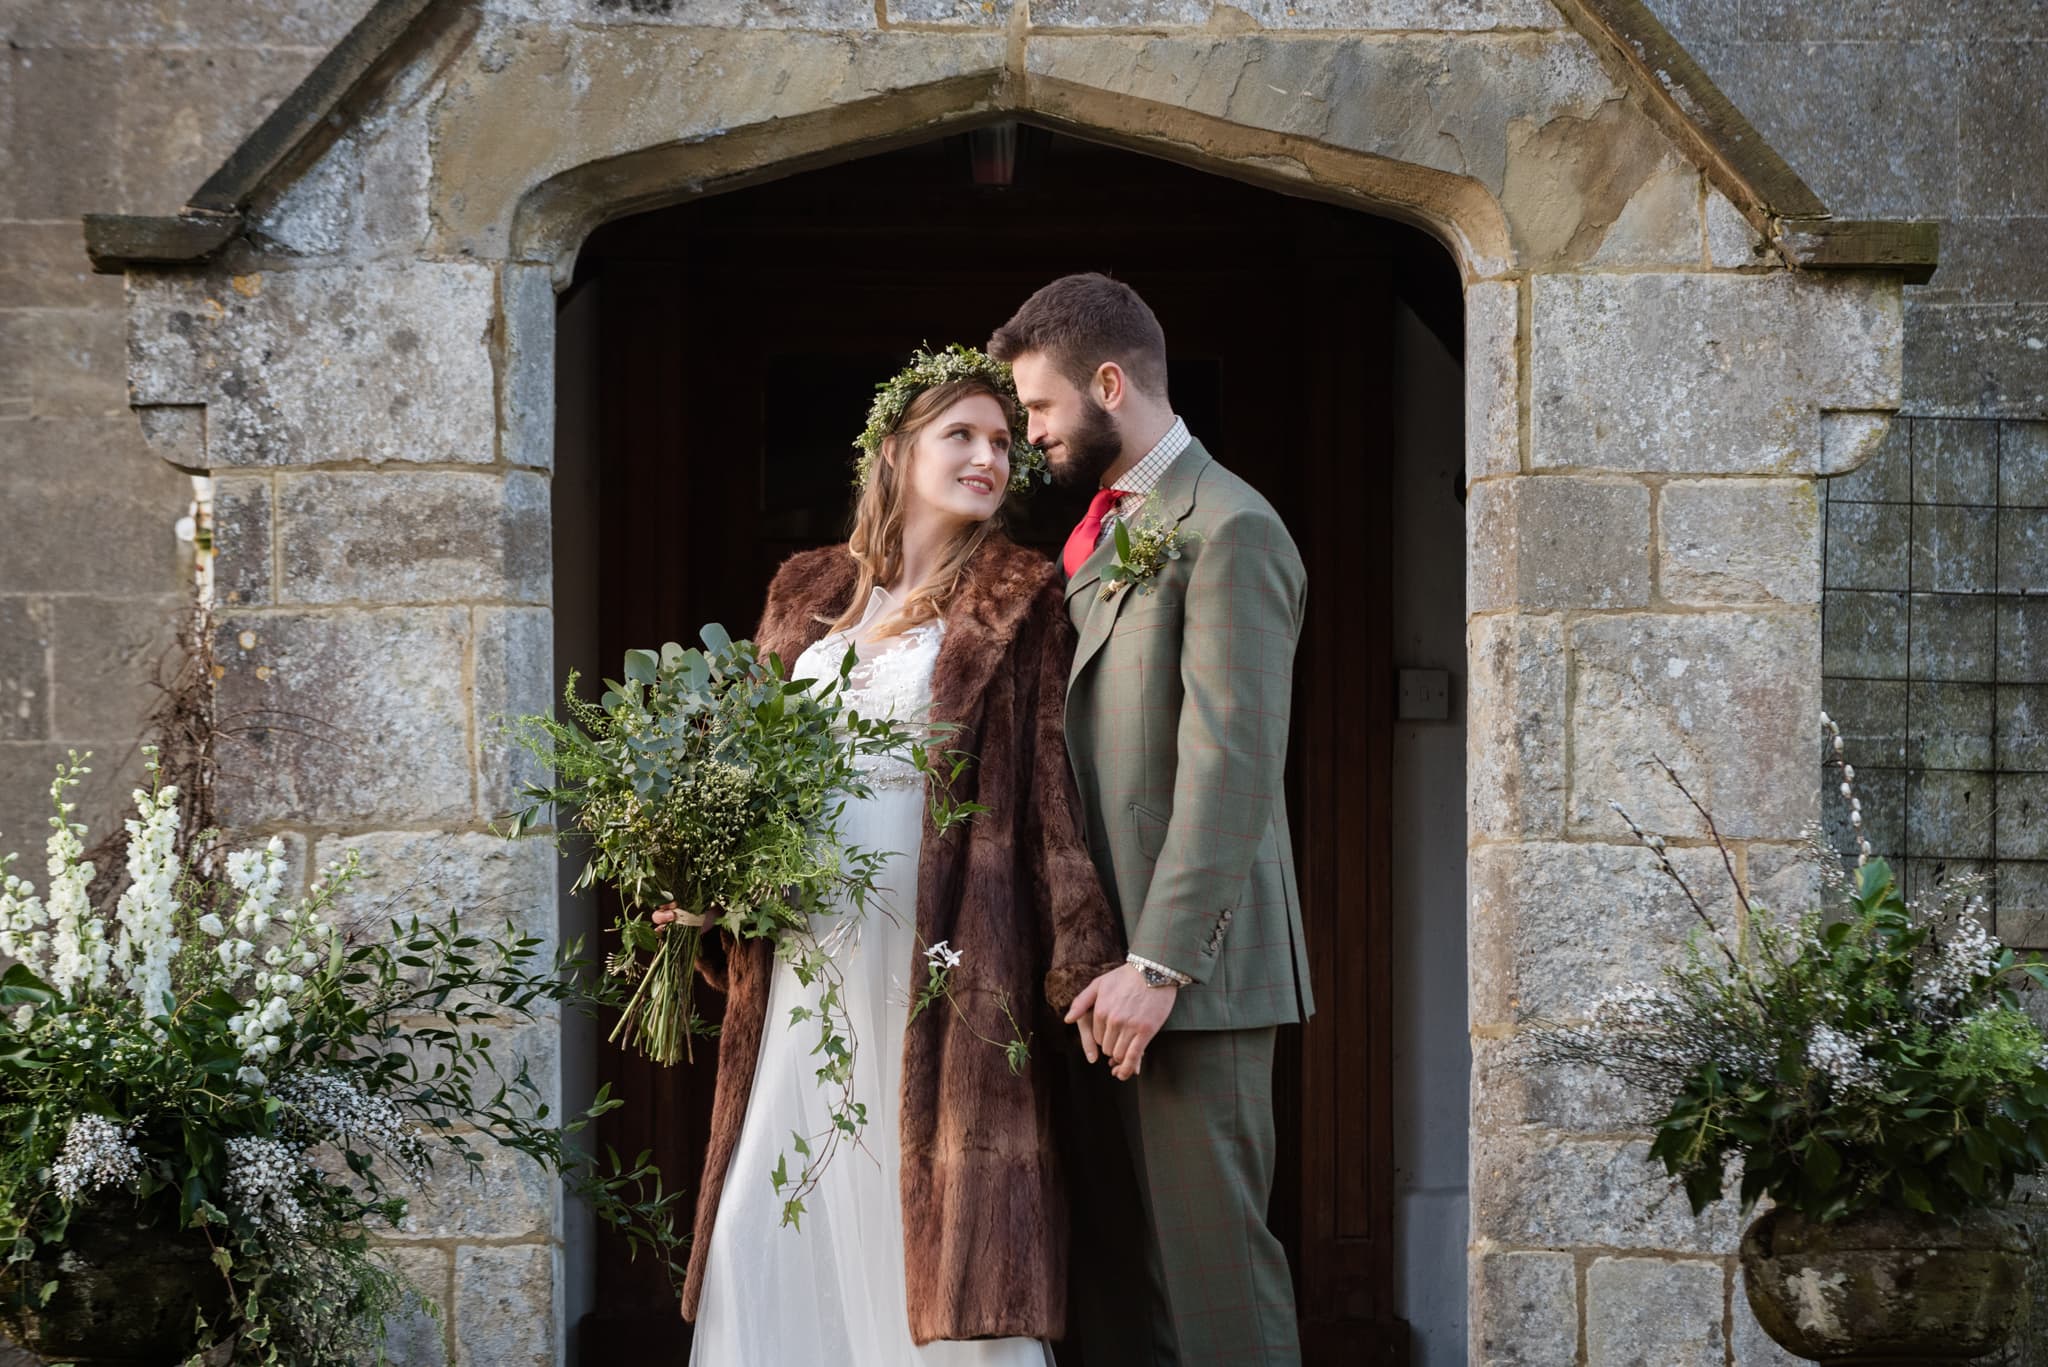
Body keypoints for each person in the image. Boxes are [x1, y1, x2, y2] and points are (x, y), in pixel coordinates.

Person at [664, 347, 1126, 1365]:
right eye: (960, 434)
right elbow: (742, 775)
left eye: (1003, 441)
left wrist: (1083, 959)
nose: (988, 456)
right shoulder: (804, 593)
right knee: (765, 1211)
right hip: (805, 945)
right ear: (894, 448)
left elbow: (1053, 791)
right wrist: (712, 890)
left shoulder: (1021, 594)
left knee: (930, 1217)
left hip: (944, 950)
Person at [990, 274, 1312, 1367]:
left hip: (1186, 978)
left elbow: (1232, 766)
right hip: (1089, 971)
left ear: (1110, 383)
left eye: (1038, 409)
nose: (1029, 435)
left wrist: (1160, 964)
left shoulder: (1230, 528)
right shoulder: (1098, 528)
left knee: (1215, 1282)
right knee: (1120, 1288)